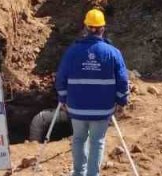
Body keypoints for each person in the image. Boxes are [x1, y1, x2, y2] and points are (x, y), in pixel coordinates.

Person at [55, 9, 130, 176]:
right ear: (102, 28)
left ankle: (78, 173)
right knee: (97, 141)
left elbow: (61, 77)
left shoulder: (72, 51)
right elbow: (123, 81)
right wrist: (121, 101)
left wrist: (63, 98)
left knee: (78, 139)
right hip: (102, 109)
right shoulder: (113, 52)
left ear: (86, 28)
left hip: (77, 108)